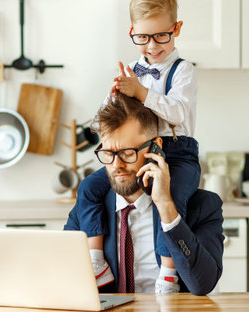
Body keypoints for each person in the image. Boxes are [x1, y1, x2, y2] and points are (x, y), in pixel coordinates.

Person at [74, 0, 201, 293]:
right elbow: (108, 118)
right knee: (89, 187)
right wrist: (115, 95)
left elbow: (179, 112)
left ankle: (168, 272)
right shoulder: (133, 70)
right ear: (132, 32)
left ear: (176, 29)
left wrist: (142, 93)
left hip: (176, 154)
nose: (152, 46)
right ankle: (96, 261)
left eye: (161, 36)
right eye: (142, 37)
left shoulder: (183, 71)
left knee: (169, 201)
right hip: (136, 153)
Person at [65, 94, 223, 294]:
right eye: (108, 153)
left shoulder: (203, 206)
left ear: (155, 147)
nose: (116, 165)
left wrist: (166, 207)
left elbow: (203, 285)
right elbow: (65, 277)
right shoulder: (88, 208)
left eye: (127, 153)